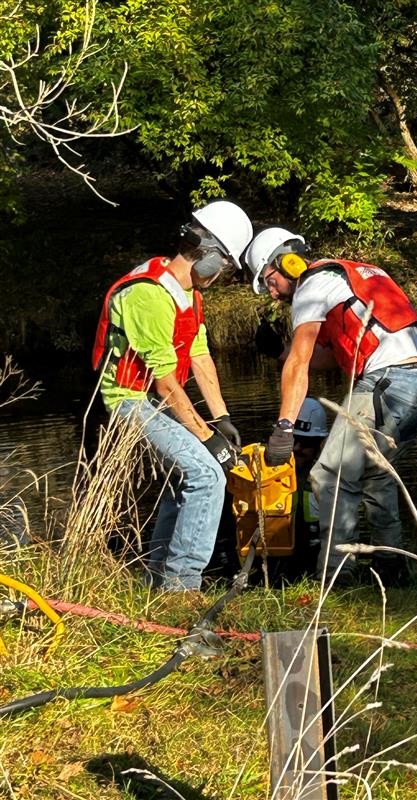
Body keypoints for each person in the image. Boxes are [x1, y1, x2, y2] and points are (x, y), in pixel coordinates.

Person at [245, 227, 417, 586]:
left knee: (328, 475)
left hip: (388, 380)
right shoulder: (344, 276)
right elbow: (330, 357)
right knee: (376, 476)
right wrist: (277, 351)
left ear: (286, 262)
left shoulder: (311, 285)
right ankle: (391, 571)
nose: (271, 294)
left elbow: (300, 364)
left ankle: (335, 578)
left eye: (269, 281)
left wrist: (284, 427)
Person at [92, 201, 253, 592]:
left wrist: (221, 419)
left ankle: (158, 579)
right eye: (225, 267)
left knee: (186, 481)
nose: (221, 277)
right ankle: (182, 586)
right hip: (127, 399)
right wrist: (205, 437)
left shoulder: (188, 295)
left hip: (155, 400)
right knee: (205, 475)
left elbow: (199, 355)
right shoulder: (147, 294)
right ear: (209, 255)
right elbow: (164, 381)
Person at [292, 397, 329, 575]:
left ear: (319, 444)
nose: (297, 448)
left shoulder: (328, 481)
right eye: (293, 439)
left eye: (306, 443)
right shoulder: (267, 476)